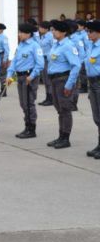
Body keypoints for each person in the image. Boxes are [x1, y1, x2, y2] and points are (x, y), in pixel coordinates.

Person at [46, 20, 81, 149]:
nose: (52, 32)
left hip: (63, 80)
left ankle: (66, 138)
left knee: (65, 109)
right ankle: (60, 136)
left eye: (55, 30)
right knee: (59, 109)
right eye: (52, 30)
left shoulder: (68, 45)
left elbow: (76, 66)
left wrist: (69, 85)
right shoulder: (56, 45)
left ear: (63, 32)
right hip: (54, 80)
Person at [6, 24, 44, 138]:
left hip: (29, 77)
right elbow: (14, 62)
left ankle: (31, 129)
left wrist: (31, 76)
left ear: (28, 34)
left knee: (29, 103)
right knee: (23, 103)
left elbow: (40, 64)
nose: (19, 34)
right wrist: (9, 75)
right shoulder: (21, 45)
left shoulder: (35, 46)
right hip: (20, 77)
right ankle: (27, 126)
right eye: (19, 32)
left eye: (21, 32)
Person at [84, 20, 100, 158]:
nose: (88, 34)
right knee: (97, 117)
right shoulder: (90, 45)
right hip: (92, 83)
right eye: (87, 31)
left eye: (91, 31)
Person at [37, 21, 54, 106]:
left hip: (48, 60)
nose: (39, 29)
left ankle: (51, 98)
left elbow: (54, 48)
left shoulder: (50, 36)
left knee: (48, 80)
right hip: (42, 59)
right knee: (45, 80)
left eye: (41, 27)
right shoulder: (42, 36)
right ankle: (47, 97)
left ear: (46, 28)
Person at [0, 23, 10, 96]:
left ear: (1, 30)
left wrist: (4, 60)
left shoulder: (4, 38)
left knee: (2, 74)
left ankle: (3, 91)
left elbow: (7, 50)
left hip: (1, 55)